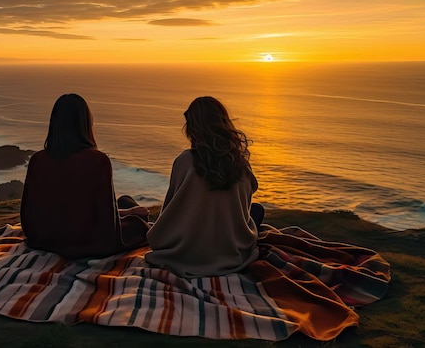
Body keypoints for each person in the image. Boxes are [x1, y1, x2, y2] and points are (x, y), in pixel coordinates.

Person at [145, 96, 264, 277]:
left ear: (193, 128)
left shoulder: (184, 161)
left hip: (185, 252)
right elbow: (243, 208)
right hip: (229, 251)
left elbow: (170, 210)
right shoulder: (240, 165)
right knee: (256, 211)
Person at [20, 93, 150, 260]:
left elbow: (29, 215)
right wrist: (130, 216)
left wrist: (126, 212)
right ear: (86, 123)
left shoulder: (38, 160)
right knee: (139, 224)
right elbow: (106, 225)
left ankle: (130, 212)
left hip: (44, 239)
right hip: (88, 244)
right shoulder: (97, 161)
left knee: (125, 200)